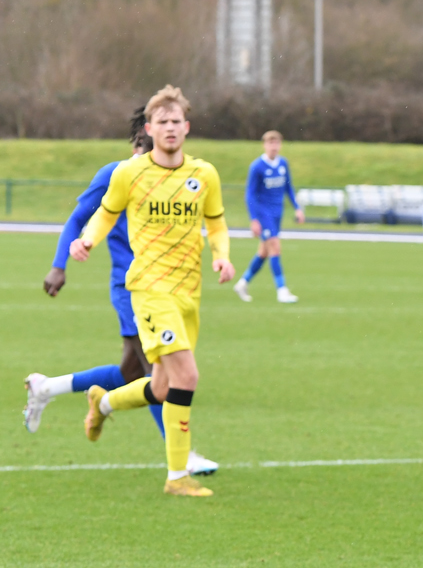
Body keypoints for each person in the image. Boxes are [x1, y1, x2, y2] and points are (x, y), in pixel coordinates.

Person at [24, 109, 218, 476]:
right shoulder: (117, 174)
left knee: (131, 374)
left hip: (168, 287)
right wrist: (59, 264)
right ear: (137, 140)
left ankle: (46, 388)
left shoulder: (171, 178)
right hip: (134, 288)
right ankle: (183, 457)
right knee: (159, 372)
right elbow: (79, 218)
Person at [69, 85, 234, 497]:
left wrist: (222, 255)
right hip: (148, 289)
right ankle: (177, 475)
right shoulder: (130, 173)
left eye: (176, 121)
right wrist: (87, 240)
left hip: (187, 292)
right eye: (162, 122)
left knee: (162, 387)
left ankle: (101, 403)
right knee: (187, 375)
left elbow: (215, 222)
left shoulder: (204, 175)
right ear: (149, 129)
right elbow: (105, 214)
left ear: (187, 127)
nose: (170, 128)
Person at [234, 129, 304, 303]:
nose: (273, 147)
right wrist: (254, 219)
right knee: (275, 247)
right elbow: (249, 195)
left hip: (277, 214)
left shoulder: (283, 164)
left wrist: (297, 208)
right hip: (263, 214)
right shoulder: (257, 167)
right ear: (264, 145)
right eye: (270, 143)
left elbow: (289, 187)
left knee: (264, 252)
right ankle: (282, 290)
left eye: (276, 143)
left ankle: (242, 283)